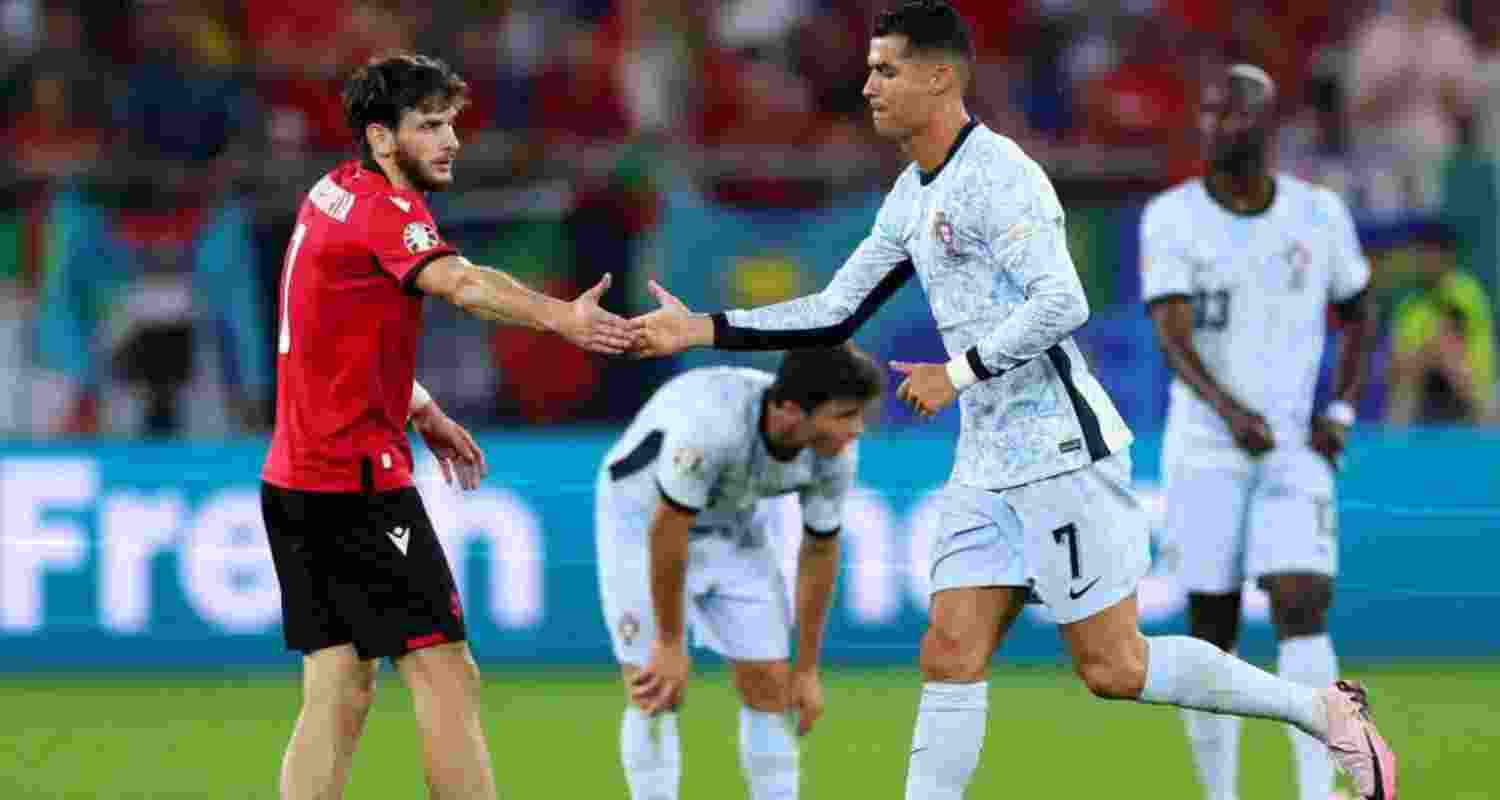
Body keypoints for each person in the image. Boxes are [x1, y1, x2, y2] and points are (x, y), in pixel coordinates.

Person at [629, 4, 1397, 799]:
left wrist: (954, 374)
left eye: (885, 70)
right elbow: (833, 309)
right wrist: (703, 328)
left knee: (1115, 666)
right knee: (949, 651)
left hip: (1060, 448)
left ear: (939, 76)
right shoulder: (912, 194)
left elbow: (1063, 302)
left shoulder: (1000, 176)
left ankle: (1319, 711)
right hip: (987, 460)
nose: (866, 87)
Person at [259, 53, 635, 800]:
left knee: (338, 685)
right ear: (380, 138)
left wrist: (420, 406)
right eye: (429, 126)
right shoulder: (387, 212)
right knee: (444, 673)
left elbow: (332, 333)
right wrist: (563, 317)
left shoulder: (333, 191)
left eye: (451, 123)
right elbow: (459, 281)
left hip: (296, 477)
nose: (450, 140)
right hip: (357, 485)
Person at [1142, 64, 1381, 800]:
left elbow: (1360, 309)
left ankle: (1316, 793)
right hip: (1207, 446)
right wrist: (1229, 412)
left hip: (1293, 449)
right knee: (1212, 623)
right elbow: (1172, 337)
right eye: (1208, 112)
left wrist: (1339, 409)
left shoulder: (1319, 215)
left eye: (1234, 114)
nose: (1216, 125)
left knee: (1302, 604)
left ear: (1268, 125)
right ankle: (1222, 794)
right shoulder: (1172, 217)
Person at [601, 345, 880, 800]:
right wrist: (670, 644)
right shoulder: (712, 425)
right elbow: (668, 528)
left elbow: (819, 550)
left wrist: (806, 668)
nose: (856, 429)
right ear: (790, 410)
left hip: (731, 521)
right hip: (641, 522)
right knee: (654, 688)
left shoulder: (833, 452)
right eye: (845, 415)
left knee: (772, 684)